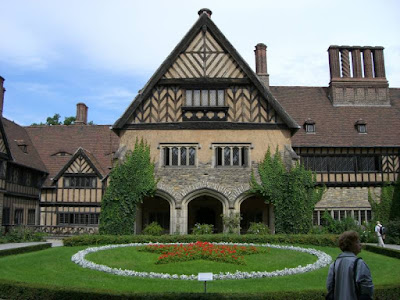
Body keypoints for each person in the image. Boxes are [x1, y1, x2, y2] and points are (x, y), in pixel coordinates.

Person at [326, 231, 374, 300]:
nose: (360, 244)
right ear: (350, 245)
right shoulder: (359, 263)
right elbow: (367, 289)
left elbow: (330, 286)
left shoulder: (334, 264)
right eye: (357, 242)